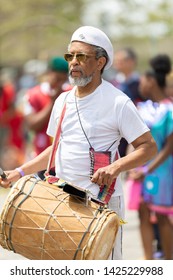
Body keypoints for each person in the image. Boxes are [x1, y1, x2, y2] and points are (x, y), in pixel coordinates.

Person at [0, 26, 157, 260]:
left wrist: (115, 167)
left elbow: (148, 147)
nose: (73, 62)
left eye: (81, 56)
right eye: (70, 56)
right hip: (61, 201)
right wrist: (21, 172)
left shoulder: (118, 102)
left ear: (100, 62)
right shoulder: (63, 100)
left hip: (100, 203)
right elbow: (56, 148)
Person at [128, 54, 173, 259]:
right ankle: (148, 259)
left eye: (144, 81)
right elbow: (132, 140)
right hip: (141, 171)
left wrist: (147, 169)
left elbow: (169, 147)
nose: (141, 85)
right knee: (143, 213)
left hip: (162, 171)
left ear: (152, 81)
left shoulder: (170, 110)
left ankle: (168, 259)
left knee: (163, 216)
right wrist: (133, 167)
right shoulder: (141, 109)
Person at [23, 56, 70, 178]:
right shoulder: (34, 94)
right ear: (49, 73)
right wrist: (52, 103)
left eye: (63, 80)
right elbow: (33, 125)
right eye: (57, 78)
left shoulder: (71, 93)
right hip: (42, 158)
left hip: (65, 159)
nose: (60, 83)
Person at [111, 48, 144, 157]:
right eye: (116, 60)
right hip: (116, 132)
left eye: (121, 60)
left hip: (135, 131)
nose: (117, 63)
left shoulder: (141, 84)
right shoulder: (112, 84)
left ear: (131, 62)